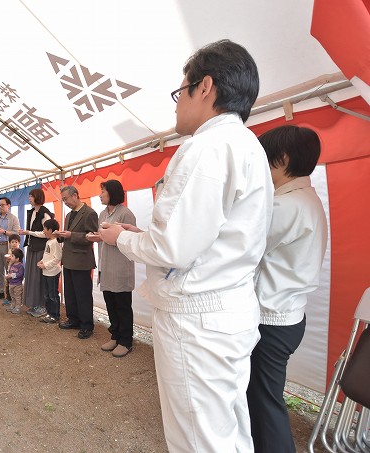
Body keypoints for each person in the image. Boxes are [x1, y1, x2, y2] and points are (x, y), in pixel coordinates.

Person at [100, 39, 273, 452]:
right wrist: (145, 239)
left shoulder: (206, 148)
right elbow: (201, 238)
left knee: (198, 439)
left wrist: (121, 237)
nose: (177, 104)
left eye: (182, 92)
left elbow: (171, 248)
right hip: (226, 308)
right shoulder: (249, 146)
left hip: (198, 318)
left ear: (206, 87)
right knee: (226, 430)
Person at [247, 126, 328, 453]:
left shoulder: (288, 206)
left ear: (283, 159)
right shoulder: (304, 200)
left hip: (273, 319)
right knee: (260, 396)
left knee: (265, 402)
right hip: (286, 315)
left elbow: (242, 246)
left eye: (266, 160)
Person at [87, 180, 136, 358]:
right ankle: (115, 336)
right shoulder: (102, 214)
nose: (100, 195)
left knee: (122, 305)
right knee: (110, 303)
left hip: (121, 267)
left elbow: (130, 240)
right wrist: (96, 237)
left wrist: (106, 237)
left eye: (103, 192)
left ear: (112, 193)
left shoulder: (125, 214)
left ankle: (126, 341)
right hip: (106, 265)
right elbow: (103, 236)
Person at [56, 185, 99, 339]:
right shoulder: (69, 215)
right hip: (68, 259)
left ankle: (87, 325)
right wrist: (59, 235)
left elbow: (92, 236)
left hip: (81, 260)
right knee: (70, 293)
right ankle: (73, 319)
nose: (65, 202)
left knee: (83, 294)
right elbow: (68, 235)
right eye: (63, 200)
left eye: (66, 199)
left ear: (75, 195)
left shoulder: (90, 213)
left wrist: (71, 235)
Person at [19, 188, 54, 317]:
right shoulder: (32, 212)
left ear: (37, 197)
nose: (29, 198)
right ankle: (34, 304)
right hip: (33, 247)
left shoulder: (45, 213)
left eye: (31, 196)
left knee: (39, 278)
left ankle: (42, 305)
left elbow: (47, 233)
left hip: (41, 249)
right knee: (32, 277)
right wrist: (27, 233)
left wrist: (28, 232)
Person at [0, 196, 20, 301]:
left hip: (8, 248)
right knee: (0, 271)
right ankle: (0, 292)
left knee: (10, 270)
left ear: (8, 206)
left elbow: (16, 233)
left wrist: (5, 232)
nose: (0, 207)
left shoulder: (13, 218)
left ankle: (11, 293)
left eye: (2, 205)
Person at [37, 218, 62, 324]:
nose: (43, 231)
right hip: (47, 272)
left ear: (51, 230)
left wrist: (45, 265)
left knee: (53, 295)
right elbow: (47, 255)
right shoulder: (48, 241)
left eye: (45, 229)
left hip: (53, 272)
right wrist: (41, 262)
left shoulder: (55, 242)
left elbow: (57, 258)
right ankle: (49, 313)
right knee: (47, 294)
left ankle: (55, 315)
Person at [2, 233, 22, 306]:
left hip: (16, 273)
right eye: (12, 242)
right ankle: (9, 299)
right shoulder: (10, 250)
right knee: (8, 285)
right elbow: (8, 262)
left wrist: (13, 259)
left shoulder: (19, 252)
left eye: (16, 242)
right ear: (9, 243)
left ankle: (18, 302)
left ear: (19, 243)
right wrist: (8, 260)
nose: (14, 244)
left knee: (17, 288)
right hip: (10, 271)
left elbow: (20, 262)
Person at [5, 248, 25, 314]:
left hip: (17, 284)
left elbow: (20, 274)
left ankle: (18, 307)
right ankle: (13, 305)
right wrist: (8, 275)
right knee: (12, 295)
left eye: (12, 256)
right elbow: (9, 271)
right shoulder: (12, 265)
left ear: (17, 258)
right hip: (11, 283)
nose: (11, 257)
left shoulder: (21, 266)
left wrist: (11, 275)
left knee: (17, 296)